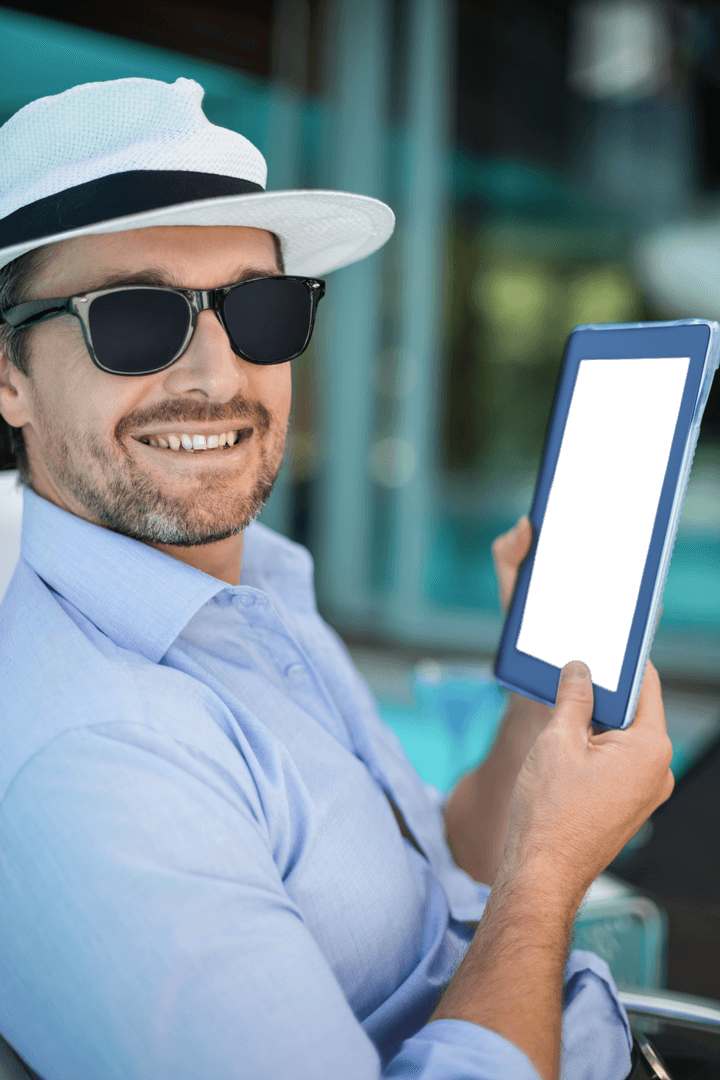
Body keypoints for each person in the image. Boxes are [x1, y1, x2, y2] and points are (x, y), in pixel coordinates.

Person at [0, 78, 674, 1080]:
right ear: (8, 377)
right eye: (136, 319)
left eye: (259, 311)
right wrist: (549, 875)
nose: (218, 374)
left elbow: (426, 883)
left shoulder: (253, 593)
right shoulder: (91, 760)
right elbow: (504, 893)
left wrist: (544, 704)